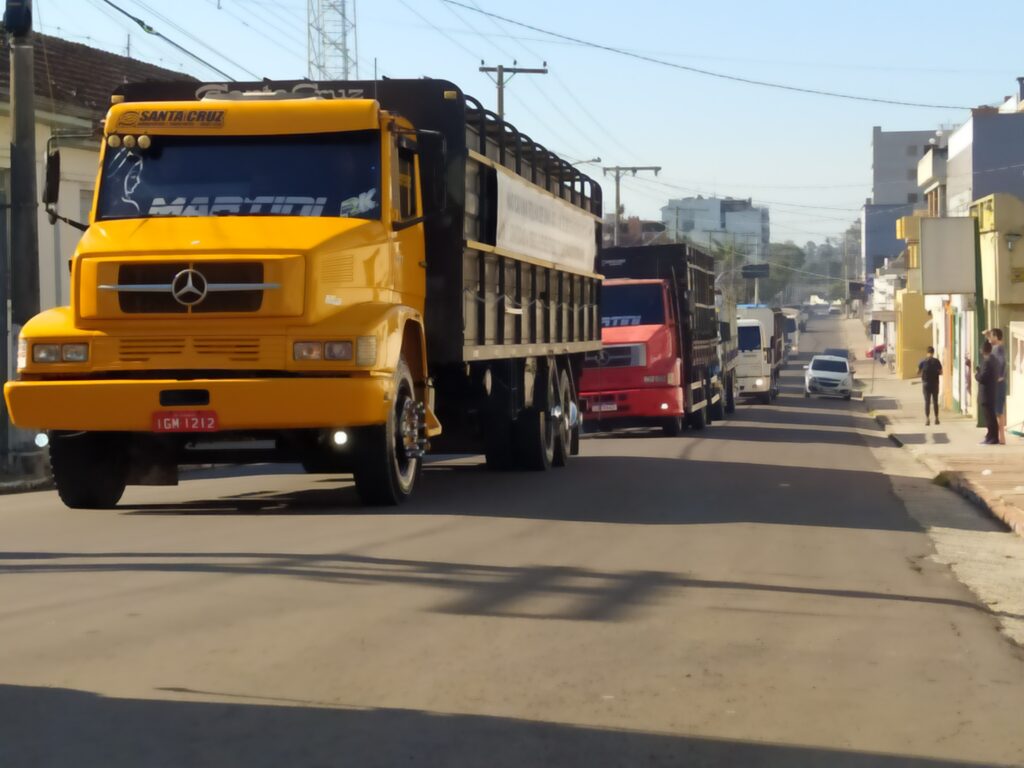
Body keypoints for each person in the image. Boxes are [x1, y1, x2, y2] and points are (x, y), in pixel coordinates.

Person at [975, 340, 999, 445]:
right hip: (991, 391)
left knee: (989, 417)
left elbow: (982, 377)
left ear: (982, 350)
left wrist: (977, 374)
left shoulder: (987, 361)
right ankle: (991, 436)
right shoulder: (994, 360)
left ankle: (992, 437)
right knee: (991, 416)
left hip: (986, 393)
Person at [986, 328, 1007, 444]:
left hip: (999, 383)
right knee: (996, 410)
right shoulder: (995, 348)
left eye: (991, 336)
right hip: (997, 383)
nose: (990, 339)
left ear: (996, 337)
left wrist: (999, 376)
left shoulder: (998, 348)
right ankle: (999, 436)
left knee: (998, 411)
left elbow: (1002, 362)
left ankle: (1002, 436)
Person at [917, 346, 942, 425]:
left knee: (927, 402)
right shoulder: (937, 361)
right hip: (935, 384)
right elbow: (941, 372)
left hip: (926, 384)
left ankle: (927, 419)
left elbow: (918, 372)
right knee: (935, 401)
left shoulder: (923, 361)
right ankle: (936, 418)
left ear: (927, 352)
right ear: (933, 352)